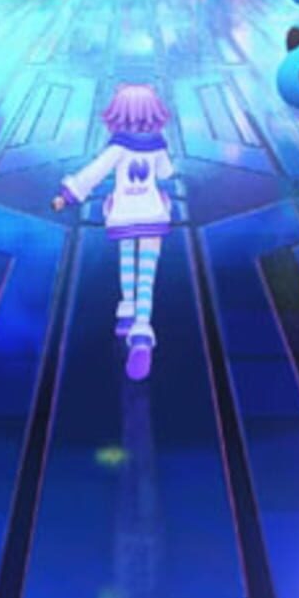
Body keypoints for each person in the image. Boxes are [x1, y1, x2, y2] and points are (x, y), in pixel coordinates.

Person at [52, 84, 175, 381]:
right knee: (147, 272)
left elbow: (93, 173)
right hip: (153, 212)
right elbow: (166, 174)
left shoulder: (118, 146)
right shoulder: (157, 143)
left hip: (123, 213)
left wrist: (67, 196)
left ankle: (126, 313)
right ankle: (142, 330)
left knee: (127, 259)